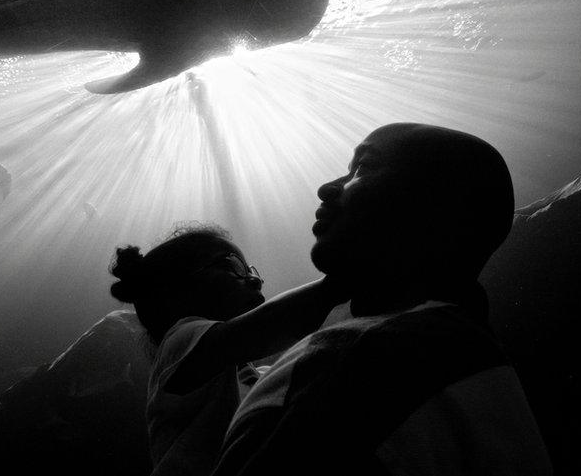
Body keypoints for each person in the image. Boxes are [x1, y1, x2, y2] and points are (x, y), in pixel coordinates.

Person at [212, 124, 553, 476]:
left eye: (362, 167)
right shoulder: (462, 353)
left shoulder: (371, 359)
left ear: (433, 203)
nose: (327, 188)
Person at [109, 224, 346, 476]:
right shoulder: (178, 343)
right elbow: (269, 325)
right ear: (177, 292)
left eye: (251, 270)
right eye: (233, 266)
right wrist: (341, 283)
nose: (254, 279)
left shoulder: (256, 375)